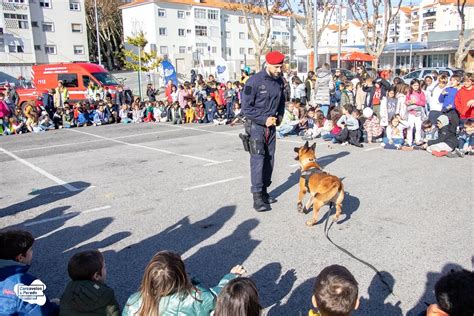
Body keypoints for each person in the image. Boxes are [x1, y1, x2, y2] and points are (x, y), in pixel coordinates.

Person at [123, 251, 244, 316]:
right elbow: (219, 295)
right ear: (182, 275)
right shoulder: (197, 296)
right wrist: (231, 277)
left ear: (148, 277)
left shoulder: (133, 302)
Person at [241, 51, 286, 212]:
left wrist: (279, 117)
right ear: (267, 64)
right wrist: (263, 119)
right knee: (258, 160)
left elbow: (282, 102)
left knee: (269, 160)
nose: (279, 69)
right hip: (256, 127)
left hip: (271, 126)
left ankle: (265, 191)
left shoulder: (280, 81)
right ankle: (257, 196)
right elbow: (246, 108)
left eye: (281, 66)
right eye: (276, 67)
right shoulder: (254, 81)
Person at [0, 230, 59, 315]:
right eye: (30, 250)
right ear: (20, 257)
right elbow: (40, 312)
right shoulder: (23, 282)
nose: (32, 253)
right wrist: (55, 307)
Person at [60, 250, 120, 316]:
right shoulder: (106, 294)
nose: (106, 269)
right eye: (104, 267)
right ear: (96, 276)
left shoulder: (68, 289)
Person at [405, 79, 427, 146]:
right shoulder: (409, 93)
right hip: (411, 112)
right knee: (410, 127)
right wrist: (408, 102)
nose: (416, 87)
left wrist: (416, 102)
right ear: (411, 85)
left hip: (418, 113)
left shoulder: (421, 93)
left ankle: (418, 140)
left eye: (417, 85)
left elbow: (423, 103)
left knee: (418, 128)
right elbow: (406, 101)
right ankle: (409, 141)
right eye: (414, 85)